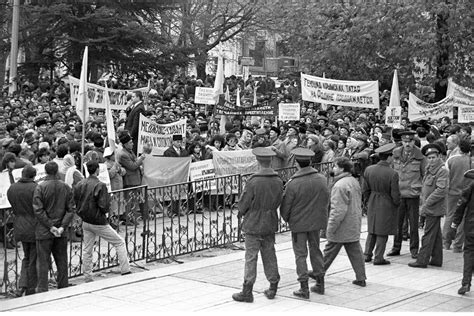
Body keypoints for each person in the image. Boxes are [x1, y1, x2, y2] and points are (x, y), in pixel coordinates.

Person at [232, 147, 284, 303]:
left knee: (251, 256)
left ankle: (247, 290)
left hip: (253, 221)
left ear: (258, 161)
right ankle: (273, 285)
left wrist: (241, 212)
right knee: (269, 254)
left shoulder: (254, 181)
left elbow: (244, 203)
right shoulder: (278, 180)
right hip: (270, 220)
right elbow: (280, 199)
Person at [280, 148, 330, 298]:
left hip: (299, 223)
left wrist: (287, 218)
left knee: (300, 255)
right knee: (316, 250)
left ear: (296, 163)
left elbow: (285, 206)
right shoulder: (321, 179)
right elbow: (326, 200)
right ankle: (320, 283)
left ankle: (304, 287)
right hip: (316, 222)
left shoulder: (293, 183)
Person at [74, 160, 131, 283]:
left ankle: (88, 276)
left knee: (87, 249)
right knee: (119, 242)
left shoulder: (80, 184)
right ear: (97, 170)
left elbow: (76, 201)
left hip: (86, 220)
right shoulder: (100, 185)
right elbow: (104, 206)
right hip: (98, 221)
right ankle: (125, 270)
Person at [323, 157, 367, 287]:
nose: (333, 169)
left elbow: (338, 210)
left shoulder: (339, 185)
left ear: (342, 168)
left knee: (330, 249)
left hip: (342, 224)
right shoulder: (353, 181)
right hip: (353, 221)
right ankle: (361, 277)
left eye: (335, 166)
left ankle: (318, 272)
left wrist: (331, 227)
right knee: (355, 251)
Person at [33, 161, 76, 292]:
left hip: (44, 231)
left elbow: (38, 210)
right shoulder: (65, 187)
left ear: (45, 172)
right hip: (61, 231)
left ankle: (42, 289)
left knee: (43, 262)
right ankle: (63, 286)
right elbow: (71, 209)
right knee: (62, 260)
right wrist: (62, 227)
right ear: (57, 171)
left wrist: (51, 226)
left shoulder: (40, 187)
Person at [388, 130, 426, 259]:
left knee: (413, 224)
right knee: (397, 223)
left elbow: (424, 175)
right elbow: (392, 172)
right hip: (399, 193)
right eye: (405, 141)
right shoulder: (396, 153)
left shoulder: (420, 156)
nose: (407, 144)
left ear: (414, 141)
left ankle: (414, 249)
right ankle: (396, 247)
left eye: (409, 141)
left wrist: (422, 193)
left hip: (413, 194)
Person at [408, 143, 448, 269]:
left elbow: (441, 190)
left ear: (439, 157)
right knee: (435, 234)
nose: (431, 160)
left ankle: (422, 259)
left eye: (433, 158)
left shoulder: (442, 171)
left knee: (428, 234)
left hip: (433, 207)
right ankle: (436, 259)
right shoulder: (429, 169)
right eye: (429, 158)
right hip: (428, 206)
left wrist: (426, 204)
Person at [363, 143, 400, 265]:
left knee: (372, 229)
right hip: (386, 202)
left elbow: (365, 189)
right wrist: (397, 203)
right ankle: (379, 257)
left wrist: (368, 200)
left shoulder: (369, 169)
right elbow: (395, 193)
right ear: (389, 157)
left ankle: (367, 254)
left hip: (373, 199)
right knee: (382, 231)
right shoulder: (392, 173)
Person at [7, 165, 38, 297]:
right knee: (33, 257)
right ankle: (30, 287)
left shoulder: (12, 188)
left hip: (19, 225)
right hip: (35, 226)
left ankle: (22, 286)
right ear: (33, 175)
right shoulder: (36, 188)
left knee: (27, 256)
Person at [443, 138, 471, 252]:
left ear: (459, 147)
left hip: (451, 192)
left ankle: (446, 242)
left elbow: (446, 177)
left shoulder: (451, 160)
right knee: (463, 218)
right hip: (466, 193)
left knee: (449, 216)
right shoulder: (471, 161)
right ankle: (458, 246)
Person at [449, 169, 474, 295]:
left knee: (469, 252)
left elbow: (461, 205)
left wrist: (455, 223)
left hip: (471, 226)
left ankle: (466, 282)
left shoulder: (471, 186)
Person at [116, 132, 147, 224]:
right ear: (125, 144)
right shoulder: (123, 154)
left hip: (135, 179)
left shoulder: (129, 151)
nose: (132, 144)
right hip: (129, 180)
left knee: (134, 200)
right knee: (129, 201)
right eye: (130, 142)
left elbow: (134, 161)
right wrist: (141, 159)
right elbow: (132, 166)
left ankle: (132, 217)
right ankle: (128, 218)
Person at [125, 90, 146, 155]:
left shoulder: (139, 108)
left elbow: (136, 124)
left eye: (133, 96)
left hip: (134, 137)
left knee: (132, 154)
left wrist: (130, 136)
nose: (131, 98)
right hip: (130, 134)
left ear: (138, 97)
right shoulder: (135, 106)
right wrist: (129, 108)